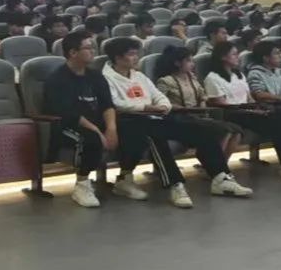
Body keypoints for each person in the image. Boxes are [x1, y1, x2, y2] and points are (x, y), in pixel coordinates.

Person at [102, 37, 250, 206]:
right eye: (131, 54)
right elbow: (115, 104)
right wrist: (146, 107)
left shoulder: (139, 76)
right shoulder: (106, 78)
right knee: (156, 138)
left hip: (155, 117)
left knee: (201, 129)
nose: (136, 58)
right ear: (117, 57)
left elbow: (159, 96)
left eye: (137, 54)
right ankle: (175, 185)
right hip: (129, 121)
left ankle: (220, 177)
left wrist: (163, 106)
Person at [204, 41, 281, 182]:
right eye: (234, 54)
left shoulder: (238, 75)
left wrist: (257, 107)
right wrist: (250, 109)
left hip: (250, 111)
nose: (237, 57)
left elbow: (249, 98)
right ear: (223, 57)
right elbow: (221, 104)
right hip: (234, 114)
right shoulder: (213, 77)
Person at [43, 32, 117, 208]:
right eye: (88, 48)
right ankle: (82, 184)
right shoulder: (58, 79)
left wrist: (111, 128)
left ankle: (125, 178)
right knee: (91, 138)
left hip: (94, 122)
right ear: (73, 52)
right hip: (66, 125)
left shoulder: (96, 76)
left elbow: (107, 105)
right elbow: (69, 114)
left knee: (133, 126)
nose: (93, 52)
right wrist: (97, 131)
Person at [154, 46, 242, 161]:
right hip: (179, 119)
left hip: (196, 116)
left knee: (236, 130)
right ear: (177, 63)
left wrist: (202, 107)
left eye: (192, 61)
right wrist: (182, 108)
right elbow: (161, 103)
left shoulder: (192, 78)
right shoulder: (165, 81)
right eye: (188, 61)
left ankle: (222, 163)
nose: (192, 64)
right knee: (224, 130)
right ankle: (212, 162)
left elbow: (202, 96)